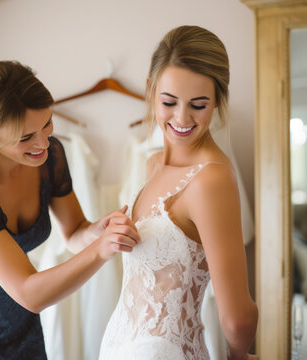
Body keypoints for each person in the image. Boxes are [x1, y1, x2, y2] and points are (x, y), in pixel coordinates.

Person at [0, 60, 139, 359]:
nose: (42, 142)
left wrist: (96, 231)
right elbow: (29, 294)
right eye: (25, 137)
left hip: (22, 327)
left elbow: (74, 231)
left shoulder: (50, 158)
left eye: (47, 123)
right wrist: (102, 249)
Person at [99, 25, 258, 360]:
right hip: (117, 347)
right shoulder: (153, 164)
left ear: (218, 101)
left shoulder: (210, 180)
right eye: (169, 102)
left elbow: (238, 317)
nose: (182, 118)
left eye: (198, 105)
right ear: (150, 89)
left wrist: (238, 355)